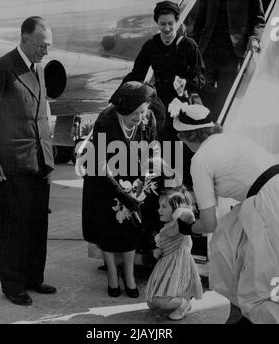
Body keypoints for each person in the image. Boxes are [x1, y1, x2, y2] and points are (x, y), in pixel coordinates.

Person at [170, 100, 279, 324]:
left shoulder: (200, 159)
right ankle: (236, 313)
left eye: (180, 136)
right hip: (267, 194)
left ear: (187, 136)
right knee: (227, 245)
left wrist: (188, 226)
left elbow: (208, 223)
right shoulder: (229, 138)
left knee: (261, 284)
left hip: (267, 202)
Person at [0, 16, 56, 306]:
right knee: (13, 228)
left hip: (39, 163)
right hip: (10, 164)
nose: (45, 52)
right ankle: (13, 286)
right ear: (24, 39)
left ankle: (33, 279)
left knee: (37, 225)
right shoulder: (0, 69)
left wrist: (49, 162)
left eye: (47, 46)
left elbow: (42, 119)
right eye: (41, 45)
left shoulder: (39, 69)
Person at [82, 81, 159, 298]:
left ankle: (129, 274)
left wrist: (142, 184)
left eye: (142, 112)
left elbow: (152, 151)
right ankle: (113, 275)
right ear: (121, 112)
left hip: (135, 178)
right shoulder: (106, 120)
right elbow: (98, 162)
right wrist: (120, 193)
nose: (140, 117)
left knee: (132, 227)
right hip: (105, 181)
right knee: (108, 228)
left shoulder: (148, 117)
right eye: (134, 114)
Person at [122, 0, 205, 187]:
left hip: (183, 110)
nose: (167, 29)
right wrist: (120, 94)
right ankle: (167, 198)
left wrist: (187, 84)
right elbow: (137, 74)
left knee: (186, 156)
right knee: (165, 155)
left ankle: (189, 197)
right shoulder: (151, 46)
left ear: (177, 22)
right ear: (157, 24)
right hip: (161, 109)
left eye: (170, 23)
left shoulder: (189, 46)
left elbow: (200, 78)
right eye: (162, 24)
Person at [192, 0, 265, 122]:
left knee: (226, 96)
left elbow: (259, 20)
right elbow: (199, 20)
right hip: (207, 51)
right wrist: (196, 46)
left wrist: (254, 37)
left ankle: (218, 128)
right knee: (203, 89)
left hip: (232, 54)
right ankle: (211, 124)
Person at [145, 186, 203, 321]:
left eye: (164, 206)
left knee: (159, 301)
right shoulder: (167, 227)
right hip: (166, 269)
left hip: (178, 270)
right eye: (160, 206)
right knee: (151, 302)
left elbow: (188, 216)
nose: (159, 210)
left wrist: (181, 211)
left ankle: (184, 304)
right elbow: (164, 243)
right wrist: (158, 250)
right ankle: (173, 300)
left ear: (176, 208)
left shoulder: (181, 225)